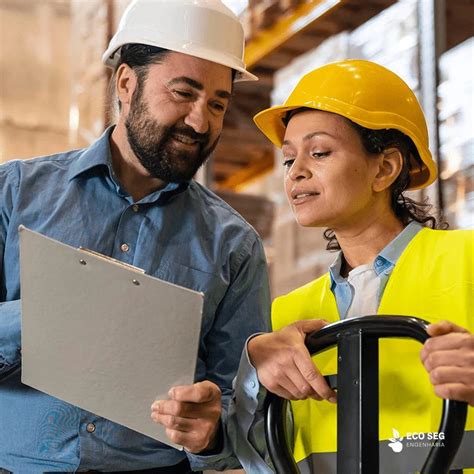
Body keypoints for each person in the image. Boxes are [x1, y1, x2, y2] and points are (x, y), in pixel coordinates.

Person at [0, 0, 270, 472]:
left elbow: (245, 410)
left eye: (217, 104)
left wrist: (212, 432)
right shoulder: (14, 194)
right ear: (126, 83)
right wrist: (44, 314)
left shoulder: (235, 246)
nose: (199, 122)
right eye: (183, 93)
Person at [228, 60, 474, 473]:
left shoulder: (467, 259)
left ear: (385, 168)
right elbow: (257, 458)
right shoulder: (288, 316)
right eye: (289, 160)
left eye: (319, 152)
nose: (296, 173)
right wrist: (250, 376)